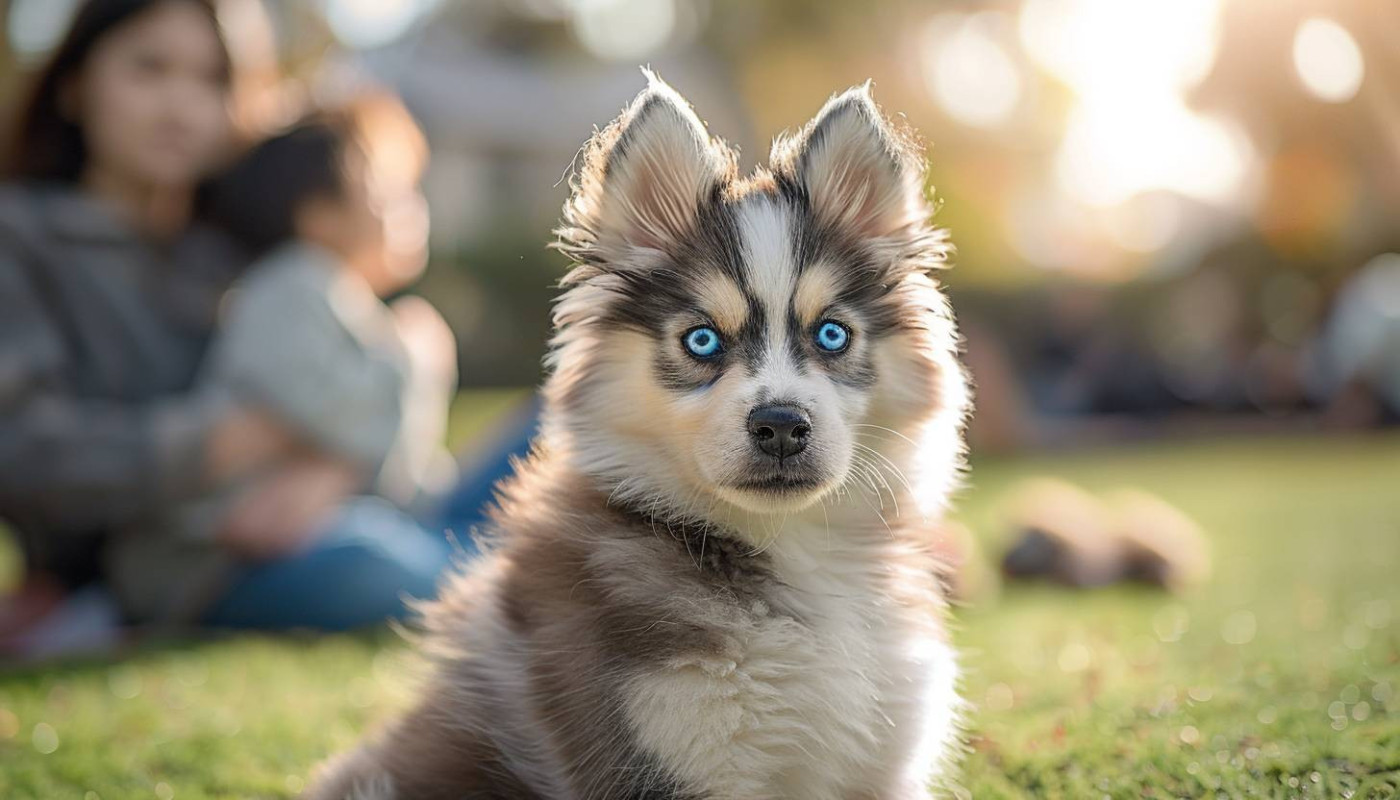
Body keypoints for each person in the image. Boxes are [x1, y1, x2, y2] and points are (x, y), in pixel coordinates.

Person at [135, 96, 482, 630]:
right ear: (318, 216)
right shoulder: (292, 285)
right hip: (243, 558)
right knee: (372, 561)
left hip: (336, 521)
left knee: (545, 425)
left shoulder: (343, 297)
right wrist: (416, 356)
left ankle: (502, 566)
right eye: (390, 188)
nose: (414, 206)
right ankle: (506, 584)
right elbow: (344, 415)